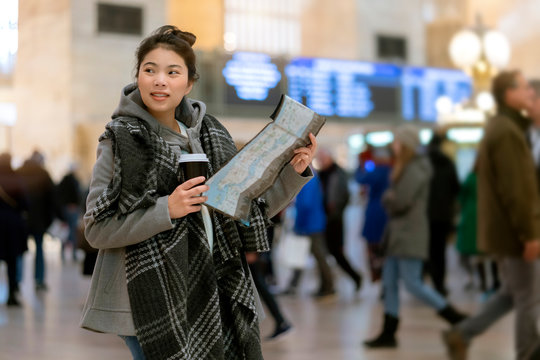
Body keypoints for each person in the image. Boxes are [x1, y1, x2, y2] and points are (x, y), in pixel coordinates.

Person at [80, 25, 317, 360]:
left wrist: (294, 172)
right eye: (150, 70)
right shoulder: (120, 139)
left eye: (172, 72)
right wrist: (168, 209)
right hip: (147, 299)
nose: (160, 80)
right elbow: (96, 228)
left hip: (215, 287)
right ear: (138, 77)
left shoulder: (210, 134)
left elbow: (246, 208)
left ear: (189, 83)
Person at [443, 70, 540, 360]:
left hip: (507, 229)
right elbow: (516, 189)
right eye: (526, 91)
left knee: (512, 293)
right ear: (509, 93)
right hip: (515, 231)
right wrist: (530, 234)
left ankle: (462, 333)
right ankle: (528, 354)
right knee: (528, 297)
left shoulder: (506, 128)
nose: (529, 97)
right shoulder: (508, 132)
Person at [364, 124, 466, 349]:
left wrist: (388, 198)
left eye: (398, 142)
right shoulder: (406, 167)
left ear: (407, 144)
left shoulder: (415, 169)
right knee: (389, 284)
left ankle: (455, 317)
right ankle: (388, 332)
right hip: (397, 236)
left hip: (410, 235)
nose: (394, 145)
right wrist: (392, 197)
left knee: (413, 283)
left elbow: (400, 201)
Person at [282, 169, 335, 298]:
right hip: (312, 222)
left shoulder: (308, 177)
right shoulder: (312, 176)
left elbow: (305, 204)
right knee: (303, 255)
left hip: (311, 224)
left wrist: (299, 224)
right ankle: (293, 285)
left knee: (318, 255)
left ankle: (329, 287)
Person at [316, 148, 362, 292]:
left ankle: (355, 276)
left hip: (335, 220)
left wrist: (335, 211)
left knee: (336, 252)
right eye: (319, 159)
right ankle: (326, 285)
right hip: (322, 218)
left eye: (323, 159)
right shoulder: (320, 174)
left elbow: (345, 196)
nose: (321, 162)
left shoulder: (338, 173)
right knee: (323, 252)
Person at [425, 132, 460, 296]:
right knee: (440, 251)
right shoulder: (448, 163)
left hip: (425, 215)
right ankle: (439, 284)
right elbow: (456, 188)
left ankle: (427, 281)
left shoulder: (424, 163)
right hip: (444, 214)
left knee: (428, 250)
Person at [15, 150, 56, 291]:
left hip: (22, 219)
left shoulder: (18, 172)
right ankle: (39, 280)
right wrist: (50, 219)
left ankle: (17, 280)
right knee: (39, 249)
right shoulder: (43, 173)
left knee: (18, 251)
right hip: (39, 220)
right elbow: (52, 199)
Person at [355, 146, 391, 283]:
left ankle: (378, 275)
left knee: (373, 248)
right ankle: (387, 278)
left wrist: (360, 164)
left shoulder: (376, 171)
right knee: (387, 250)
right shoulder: (394, 170)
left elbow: (359, 178)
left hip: (375, 213)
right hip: (389, 213)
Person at [0, 153, 28, 306]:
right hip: (12, 226)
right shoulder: (16, 178)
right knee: (12, 261)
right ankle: (12, 294)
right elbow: (25, 203)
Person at [57, 163, 82, 261]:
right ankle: (74, 254)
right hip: (73, 209)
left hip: (64, 209)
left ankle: (63, 253)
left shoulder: (63, 181)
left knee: (65, 231)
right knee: (72, 231)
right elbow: (77, 195)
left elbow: (58, 195)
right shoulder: (74, 181)